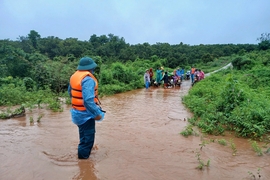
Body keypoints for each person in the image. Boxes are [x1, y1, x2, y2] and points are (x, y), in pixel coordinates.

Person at [68, 56, 105, 159]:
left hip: (77, 113)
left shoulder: (74, 76)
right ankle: (83, 163)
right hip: (86, 114)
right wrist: (96, 113)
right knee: (88, 140)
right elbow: (88, 101)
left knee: (83, 136)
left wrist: (76, 105)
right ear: (91, 68)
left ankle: (82, 154)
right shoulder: (88, 79)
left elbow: (70, 93)